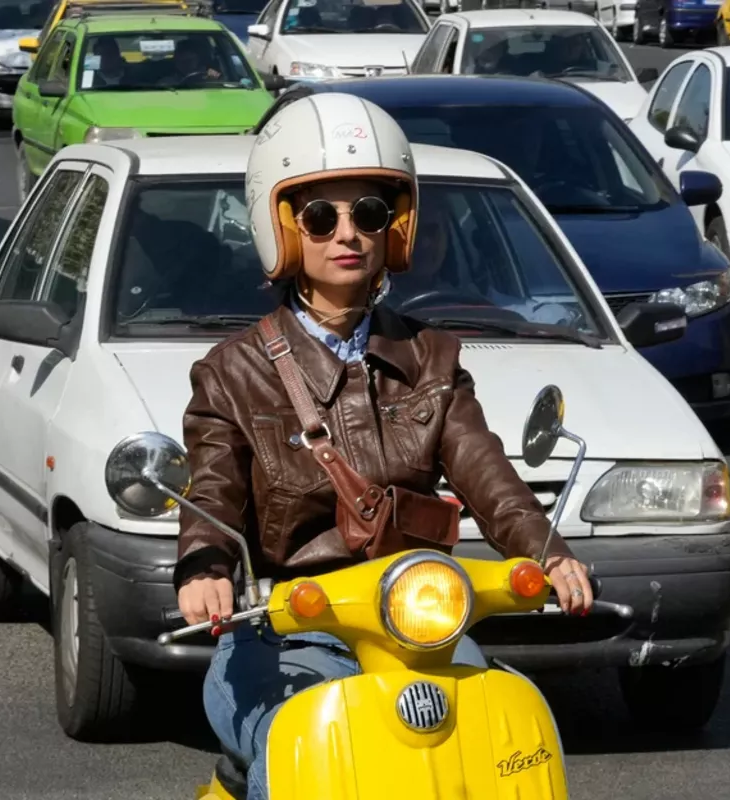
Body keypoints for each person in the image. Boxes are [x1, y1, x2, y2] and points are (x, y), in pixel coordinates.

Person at [173, 92, 595, 800]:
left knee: (498, 732)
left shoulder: (432, 357)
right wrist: (204, 568)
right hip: (288, 632)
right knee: (302, 740)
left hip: (420, 629)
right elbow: (211, 490)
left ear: (393, 227)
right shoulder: (231, 373)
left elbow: (485, 471)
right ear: (283, 228)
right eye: (319, 215)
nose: (347, 232)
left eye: (369, 212)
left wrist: (546, 549)